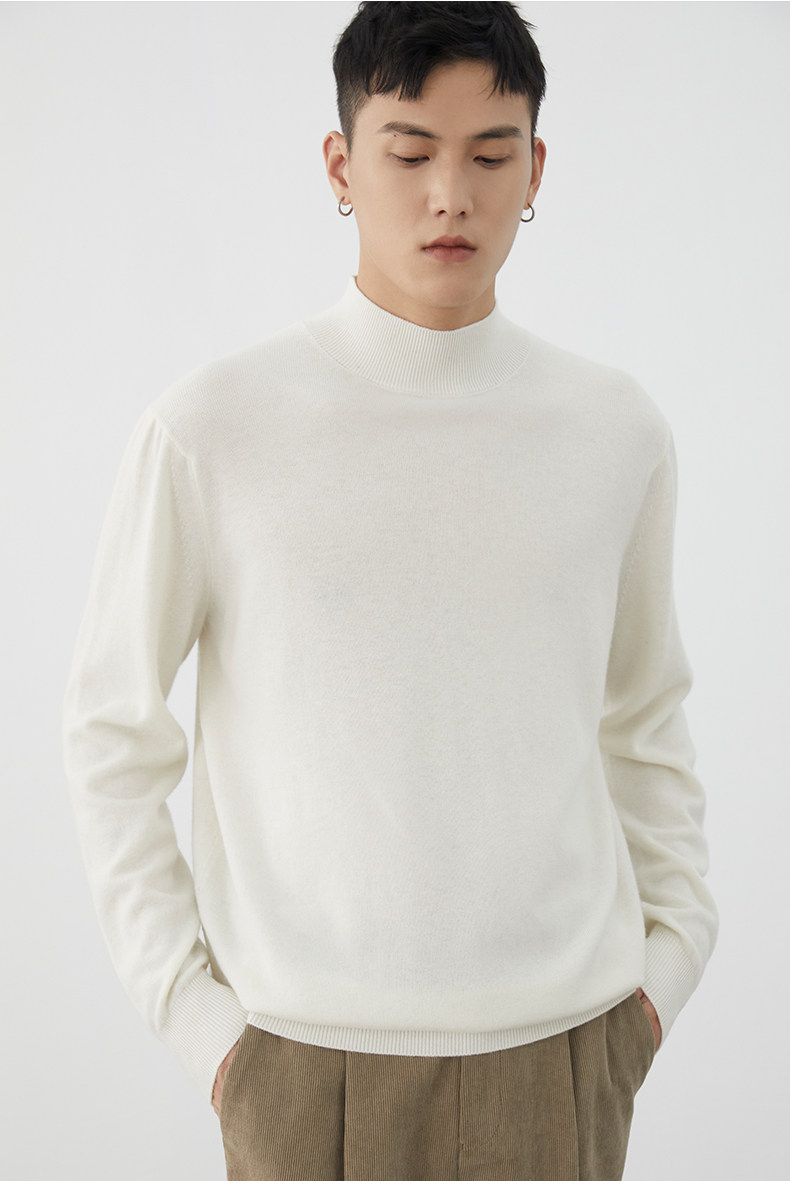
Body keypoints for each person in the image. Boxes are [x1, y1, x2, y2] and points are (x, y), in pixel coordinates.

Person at [62, 1, 718, 1181]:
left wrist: (667, 968)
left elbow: (644, 716)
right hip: (298, 1066)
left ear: (536, 169)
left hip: (566, 1053)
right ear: (340, 165)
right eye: (409, 153)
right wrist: (205, 1031)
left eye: (490, 155)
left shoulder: (614, 430)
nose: (449, 197)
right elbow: (111, 732)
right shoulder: (214, 428)